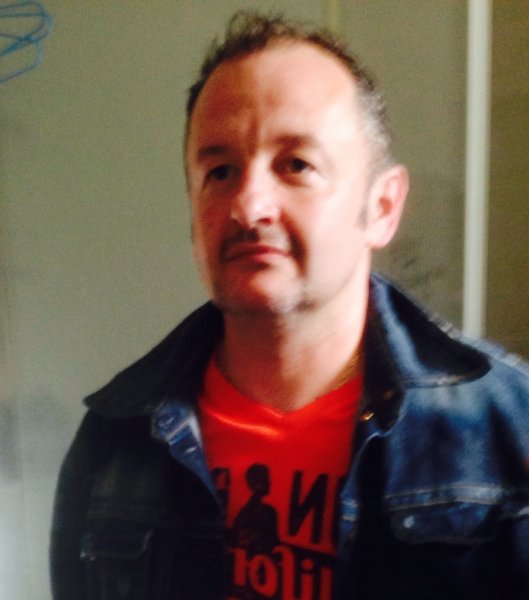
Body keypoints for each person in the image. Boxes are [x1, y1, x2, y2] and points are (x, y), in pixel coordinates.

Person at [50, 11, 529, 600]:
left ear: (382, 207)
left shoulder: (508, 429)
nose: (248, 205)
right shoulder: (114, 440)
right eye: (219, 171)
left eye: (296, 164)